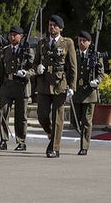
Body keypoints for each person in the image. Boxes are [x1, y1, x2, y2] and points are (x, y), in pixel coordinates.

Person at [32, 14, 77, 158]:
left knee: (58, 117)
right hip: (44, 84)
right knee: (42, 115)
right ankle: (52, 134)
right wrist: (37, 67)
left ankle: (55, 148)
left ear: (60, 28)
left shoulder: (67, 43)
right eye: (50, 25)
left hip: (59, 84)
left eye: (55, 26)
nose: (52, 28)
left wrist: (72, 87)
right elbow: (35, 62)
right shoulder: (42, 43)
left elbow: (72, 66)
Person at [0, 24, 34, 151]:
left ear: (21, 36)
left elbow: (33, 68)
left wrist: (26, 73)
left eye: (15, 35)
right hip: (7, 85)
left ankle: (21, 141)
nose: (12, 37)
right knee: (3, 113)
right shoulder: (5, 50)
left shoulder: (28, 51)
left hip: (21, 86)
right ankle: (3, 140)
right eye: (10, 35)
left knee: (21, 116)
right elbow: (1, 70)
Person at [71, 30, 104, 156]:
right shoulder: (73, 54)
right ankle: (84, 135)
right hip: (76, 92)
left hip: (89, 93)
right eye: (79, 40)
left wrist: (97, 81)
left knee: (86, 121)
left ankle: (84, 146)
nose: (81, 43)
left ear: (89, 42)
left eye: (84, 41)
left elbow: (100, 73)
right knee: (74, 121)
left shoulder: (95, 55)